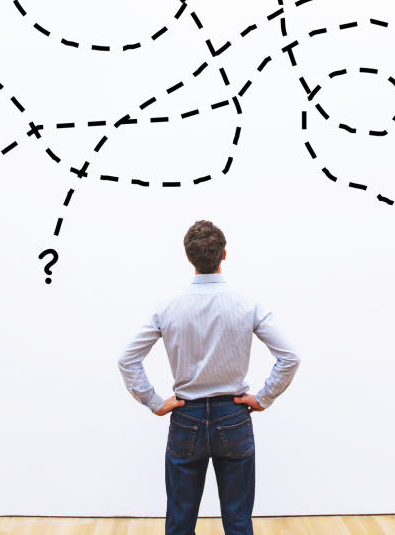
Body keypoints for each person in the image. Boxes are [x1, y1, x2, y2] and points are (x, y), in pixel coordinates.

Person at [117, 220, 301, 535]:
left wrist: (155, 402)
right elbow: (290, 356)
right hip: (233, 415)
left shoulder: (168, 307)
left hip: (186, 416)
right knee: (238, 520)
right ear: (224, 255)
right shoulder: (247, 304)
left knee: (179, 521)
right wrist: (264, 397)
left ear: (189, 258)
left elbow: (127, 359)